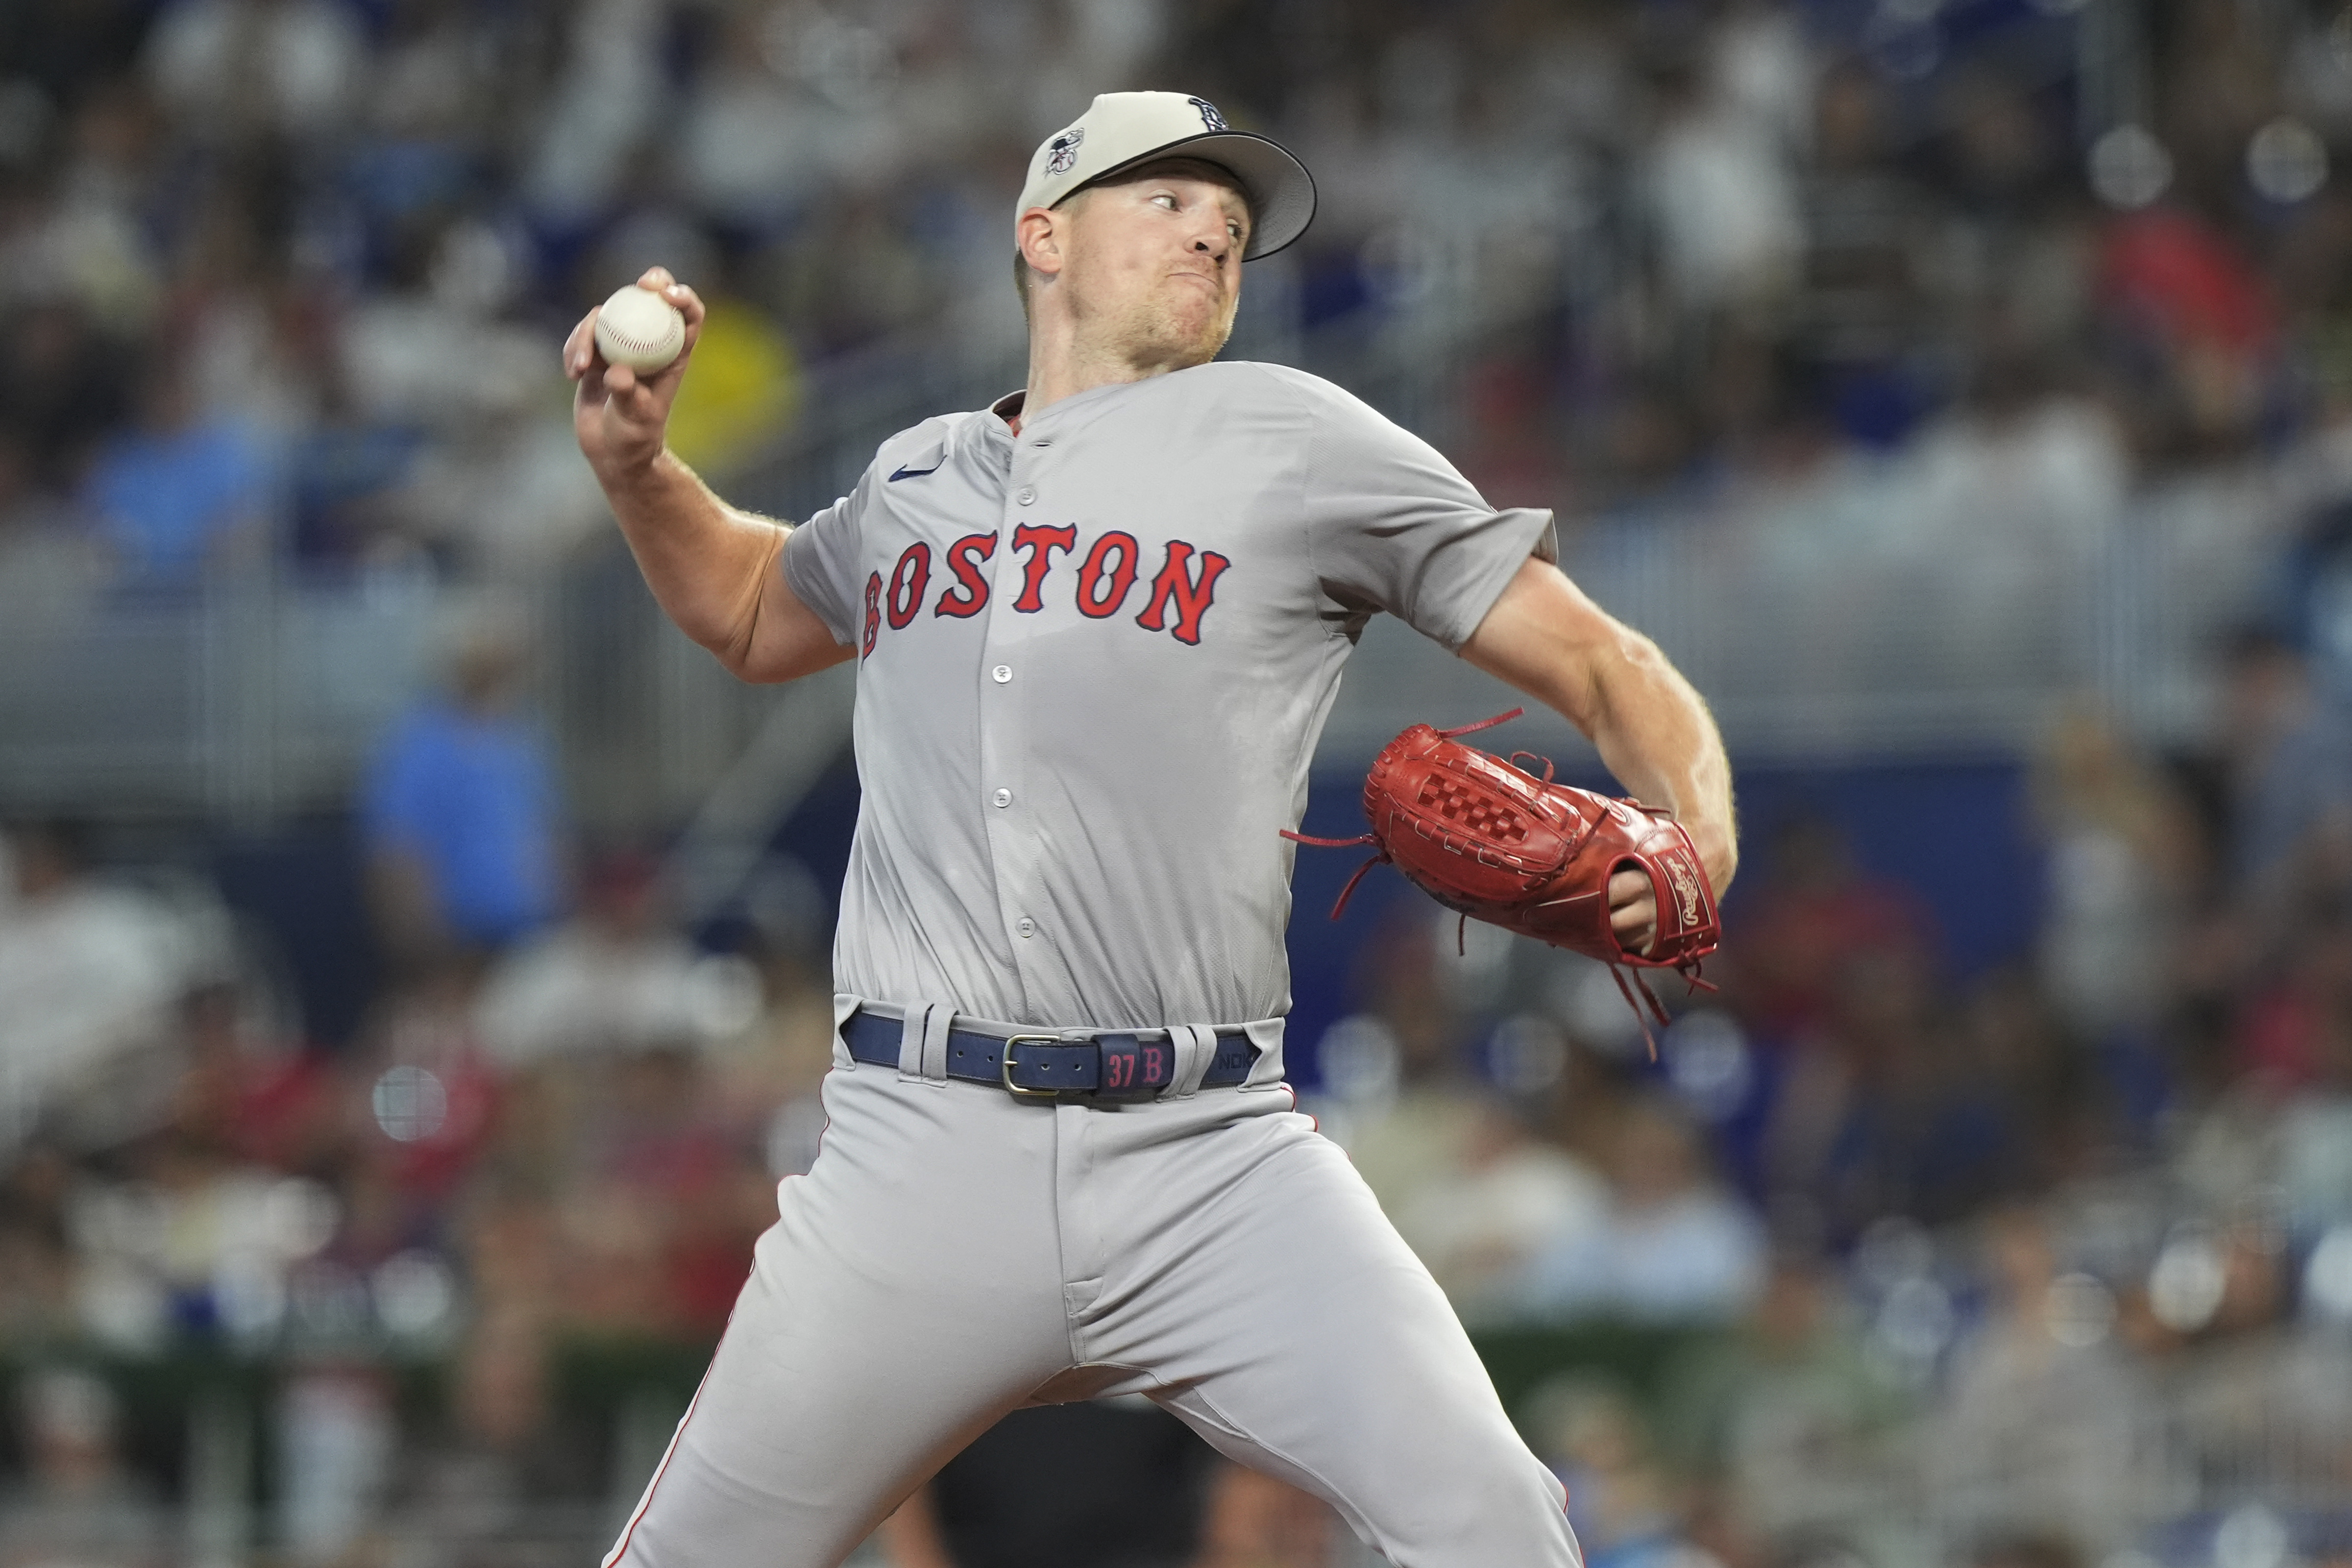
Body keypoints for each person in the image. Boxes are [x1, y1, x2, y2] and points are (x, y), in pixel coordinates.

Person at [565, 91, 1738, 1568]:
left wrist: (1696, 834)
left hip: (1211, 1153)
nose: (1213, 234)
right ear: (1042, 236)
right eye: (1169, 201)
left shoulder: (1296, 436)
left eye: (1233, 226)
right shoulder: (917, 477)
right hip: (916, 1152)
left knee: (1498, 1525)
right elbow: (749, 604)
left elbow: (1599, 663)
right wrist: (636, 471)